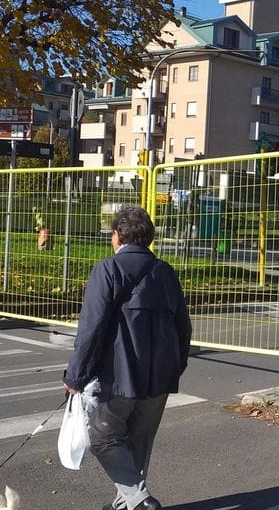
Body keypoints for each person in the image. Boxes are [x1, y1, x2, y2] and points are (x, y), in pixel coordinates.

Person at [64, 206, 192, 510]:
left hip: (117, 376)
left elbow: (91, 328)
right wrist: (177, 365)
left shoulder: (108, 270)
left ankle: (139, 500)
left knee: (102, 438)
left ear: (116, 236)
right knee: (139, 442)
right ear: (148, 238)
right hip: (160, 376)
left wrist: (76, 376)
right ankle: (128, 504)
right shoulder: (166, 272)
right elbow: (183, 327)